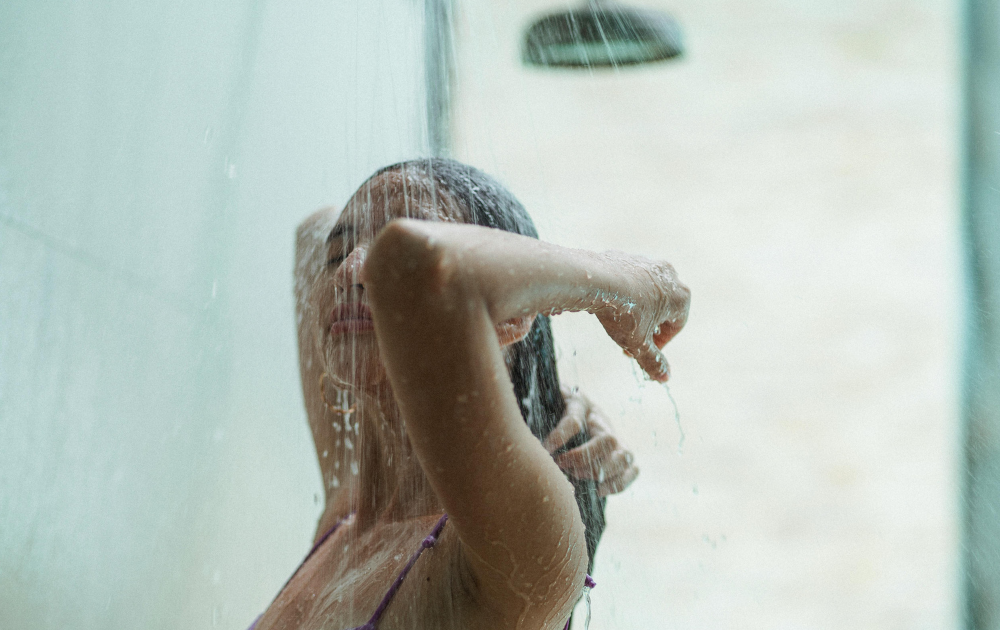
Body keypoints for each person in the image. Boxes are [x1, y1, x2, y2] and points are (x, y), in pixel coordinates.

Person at [254, 158, 690, 630]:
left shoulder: (520, 550)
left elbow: (419, 265)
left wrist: (623, 281)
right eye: (340, 256)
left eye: (383, 251)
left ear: (513, 320)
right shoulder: (351, 515)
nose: (350, 271)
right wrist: (548, 389)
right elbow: (313, 235)